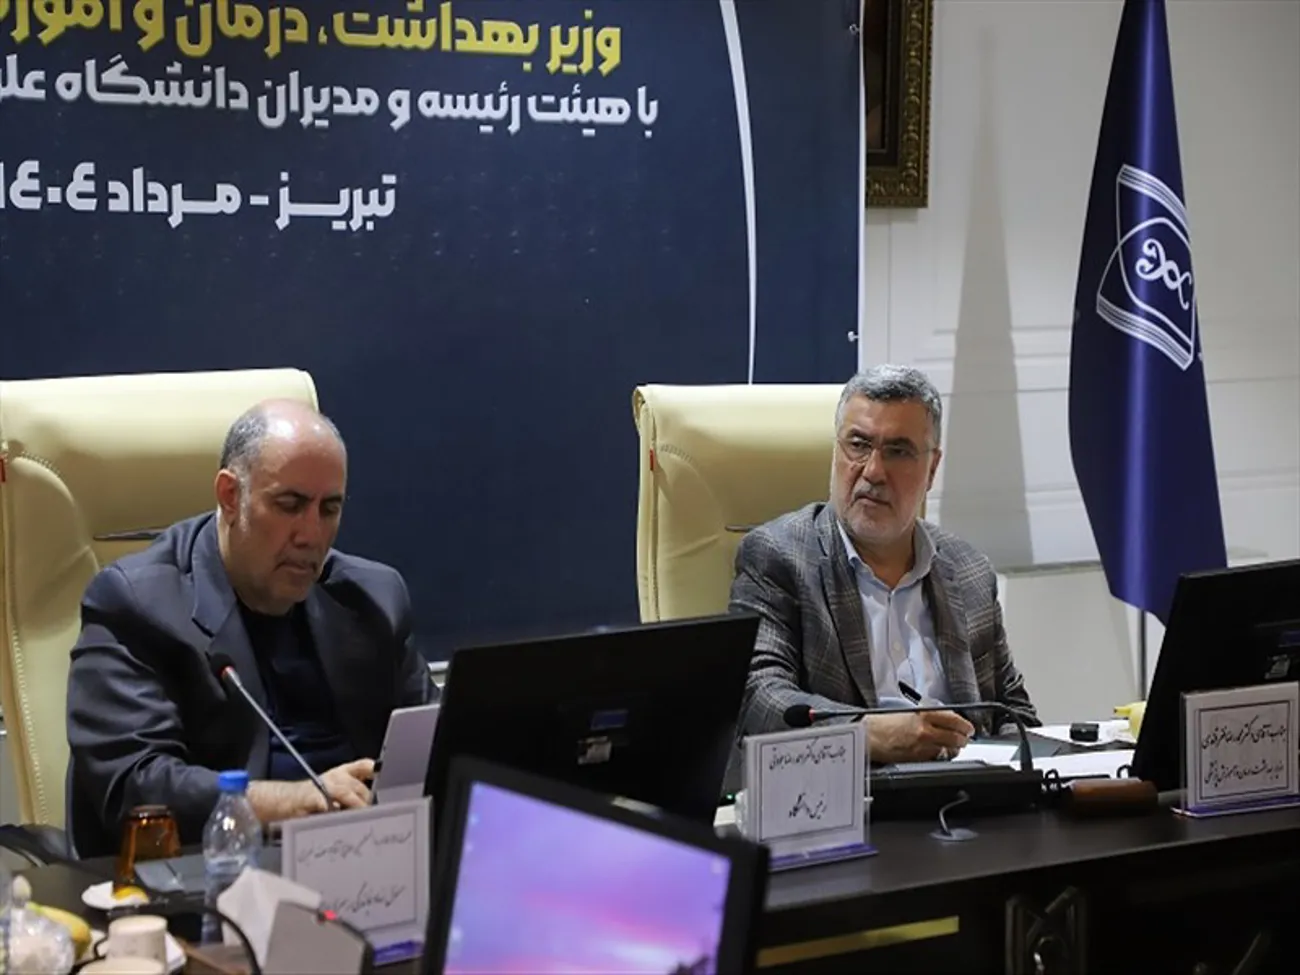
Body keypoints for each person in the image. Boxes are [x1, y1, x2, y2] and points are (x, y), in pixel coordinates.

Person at [66, 399, 433, 856]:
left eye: (329, 509)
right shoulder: (136, 604)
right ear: (229, 496)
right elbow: (134, 785)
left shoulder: (373, 599)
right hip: (214, 868)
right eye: (289, 505)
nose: (311, 534)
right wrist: (292, 801)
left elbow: (436, 741)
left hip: (364, 858)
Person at [730, 365, 1039, 764]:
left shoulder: (969, 571)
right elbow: (758, 699)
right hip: (853, 791)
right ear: (836, 450)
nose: (874, 471)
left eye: (898, 451)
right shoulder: (779, 556)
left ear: (931, 469)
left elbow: (1015, 714)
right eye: (858, 445)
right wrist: (865, 734)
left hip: (968, 790)